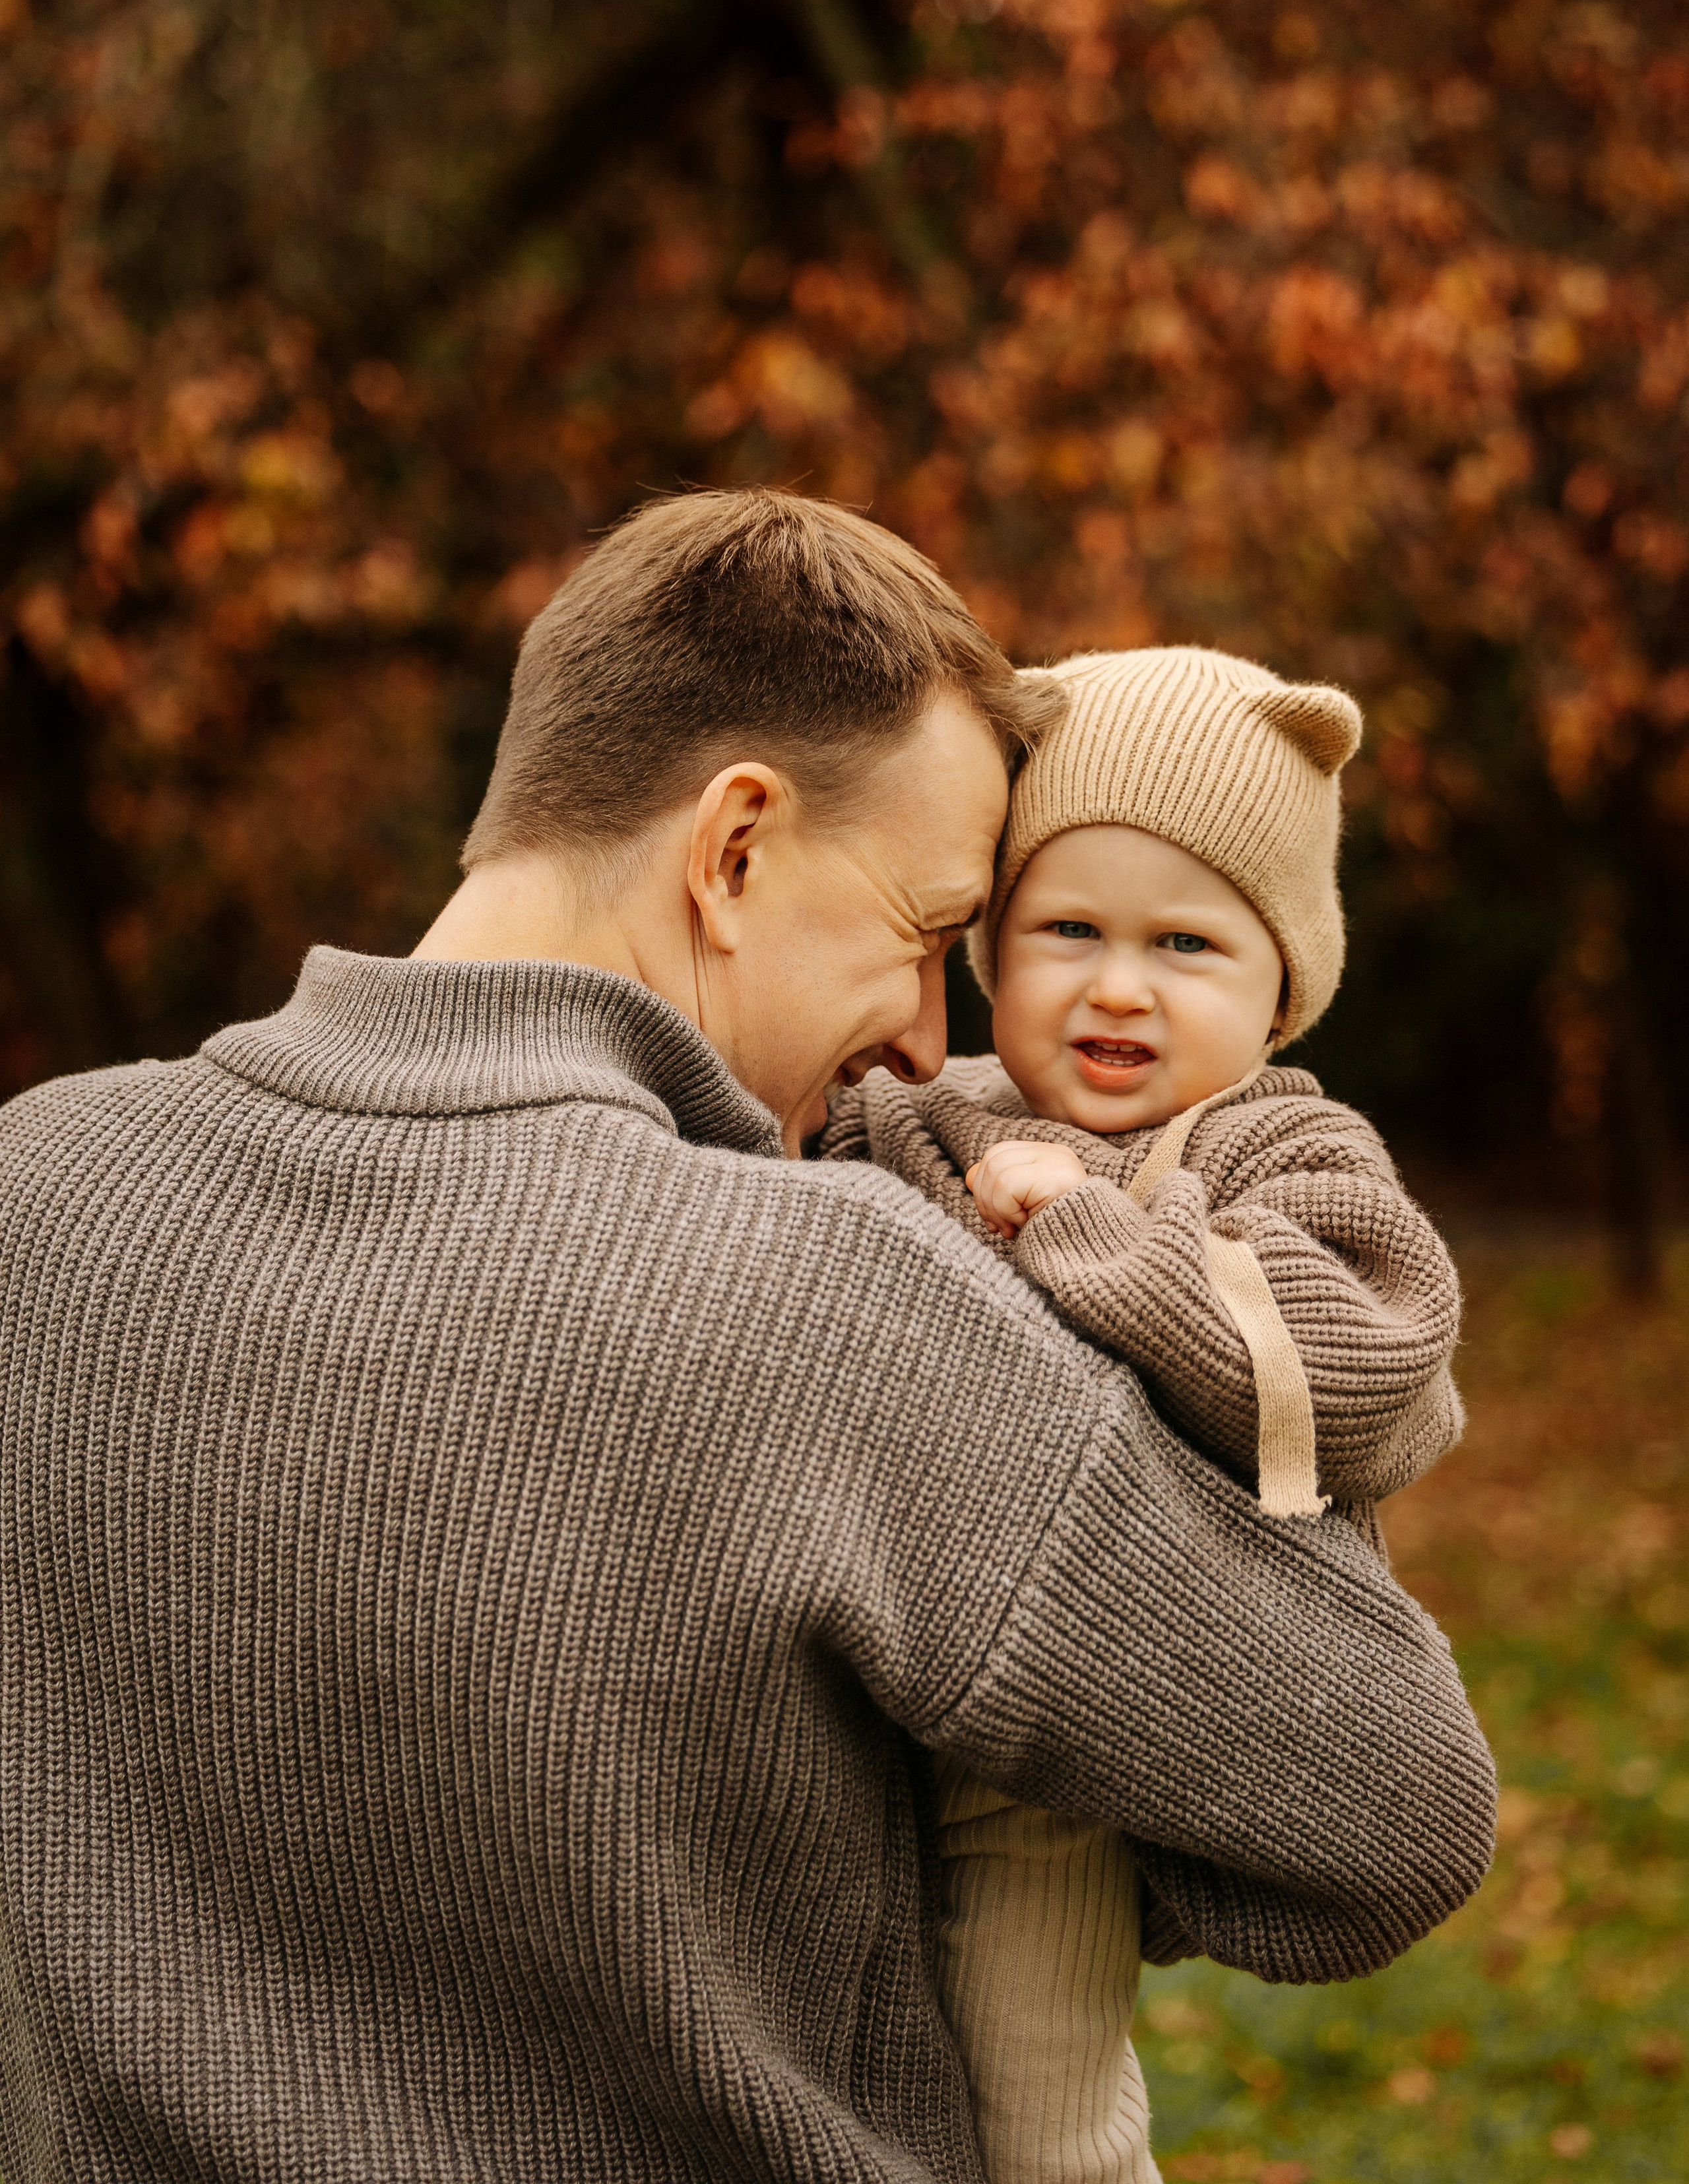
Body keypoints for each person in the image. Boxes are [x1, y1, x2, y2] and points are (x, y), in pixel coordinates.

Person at [0, 493, 1494, 2184]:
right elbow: (1391, 1810)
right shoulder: (833, 1306)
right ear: (732, 850)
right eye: (935, 938)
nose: (930, 1049)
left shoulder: (32, 1195)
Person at [821, 644, 1467, 2184]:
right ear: (986, 944)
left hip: (1078, 1728)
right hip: (849, 1692)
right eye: (1066, 929)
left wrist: (1092, 1231)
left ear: (1281, 986)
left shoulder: (1277, 1153)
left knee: (1041, 2114)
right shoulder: (915, 1114)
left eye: (1185, 943)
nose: (1118, 985)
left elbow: (1368, 1366)